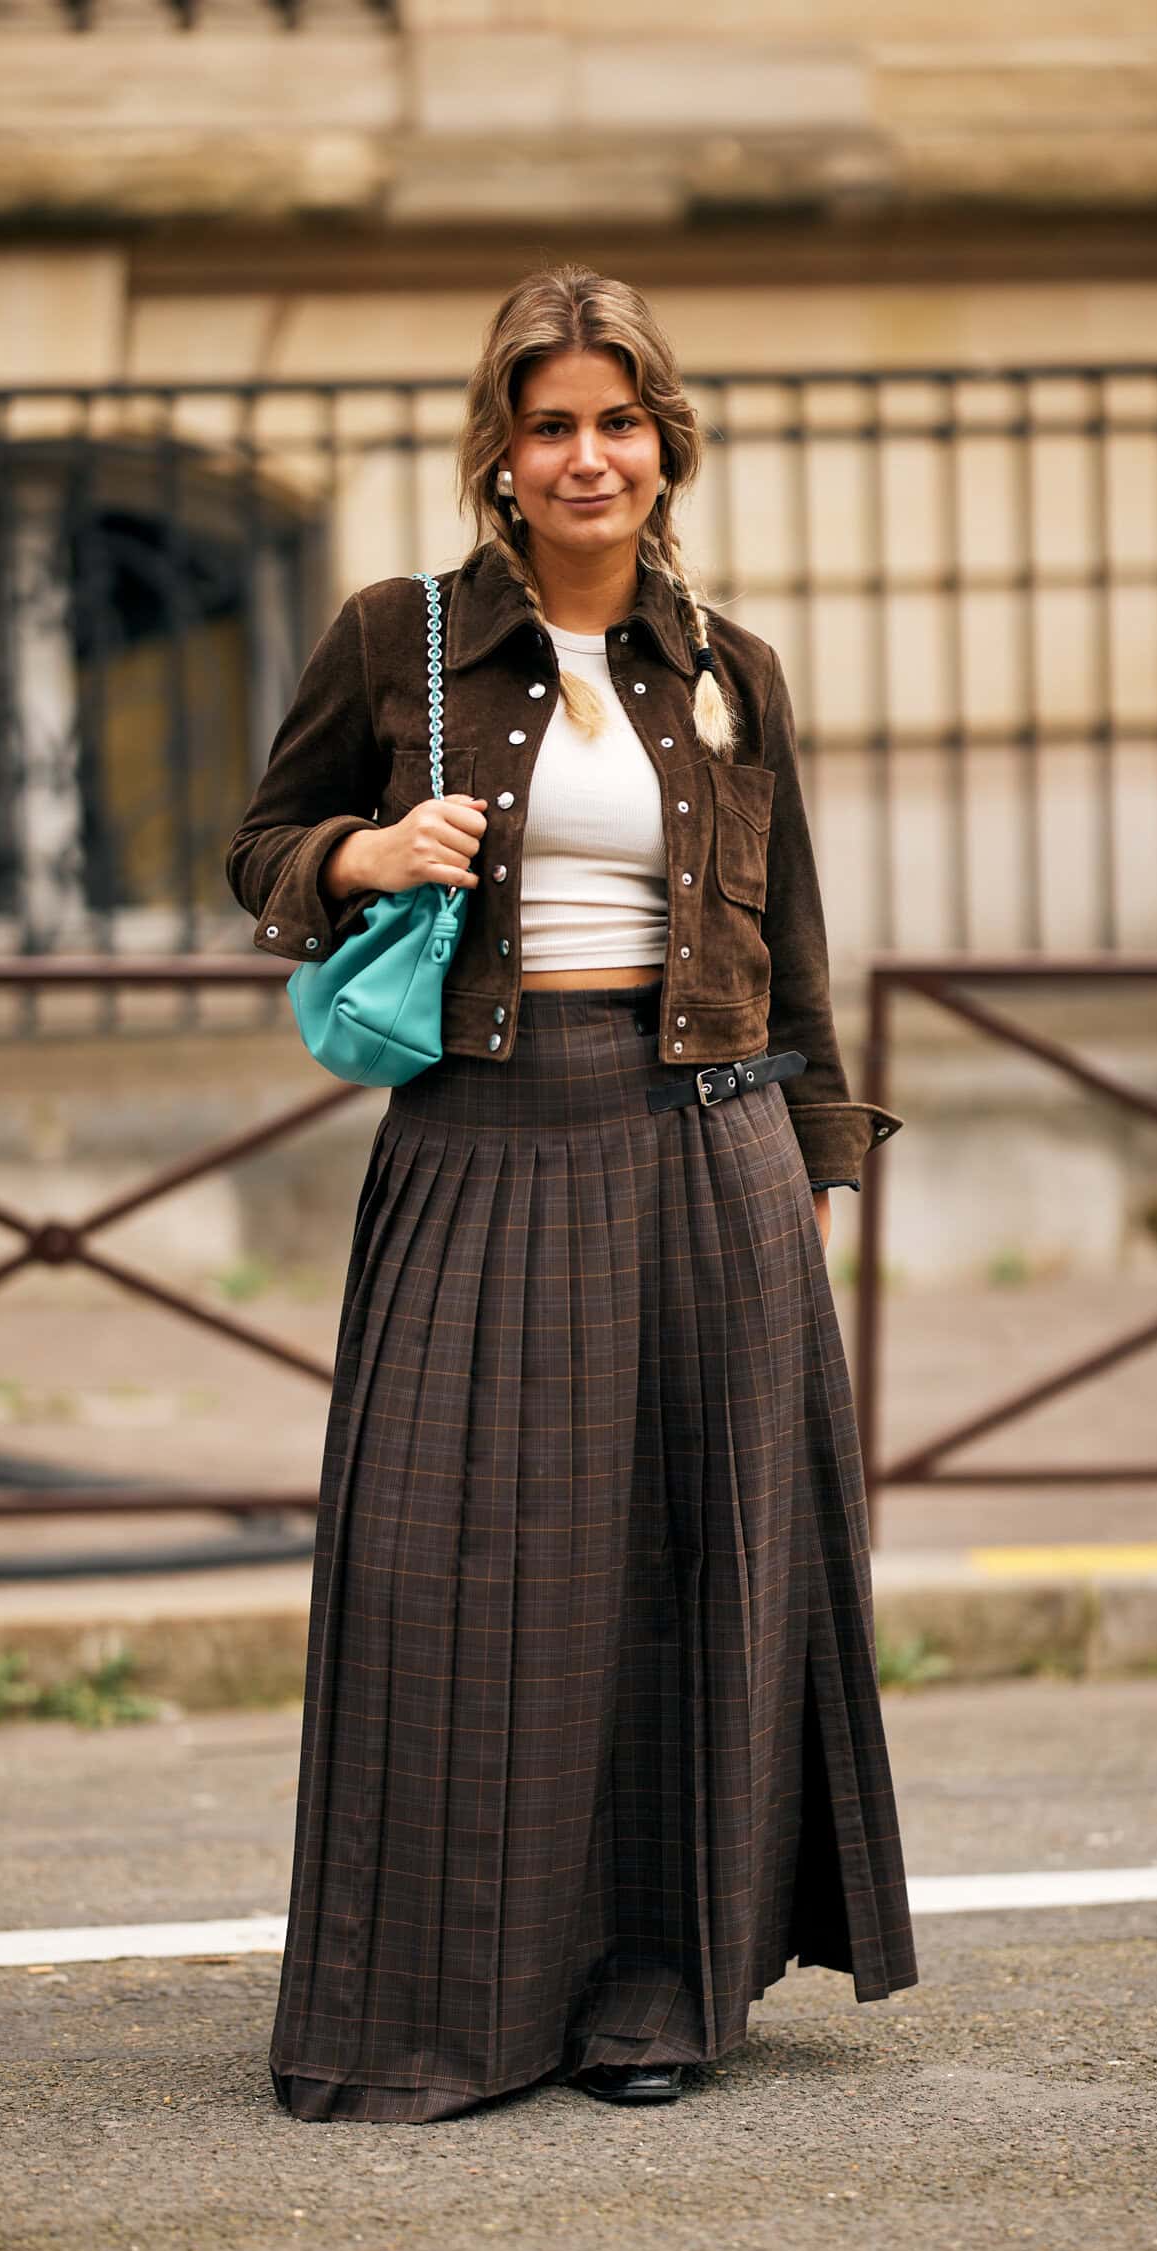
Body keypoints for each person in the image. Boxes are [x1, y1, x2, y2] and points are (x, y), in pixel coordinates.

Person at [227, 264, 918, 2125]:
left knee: (700, 1565)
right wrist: (368, 848)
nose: (588, 454)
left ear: (661, 446)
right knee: (460, 1567)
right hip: (485, 1138)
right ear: (504, 456)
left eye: (619, 421)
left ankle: (659, 2001)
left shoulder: (727, 668)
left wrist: (822, 1160)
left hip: (712, 1137)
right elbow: (258, 852)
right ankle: (453, 2001)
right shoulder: (400, 641)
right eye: (552, 425)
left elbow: (796, 943)